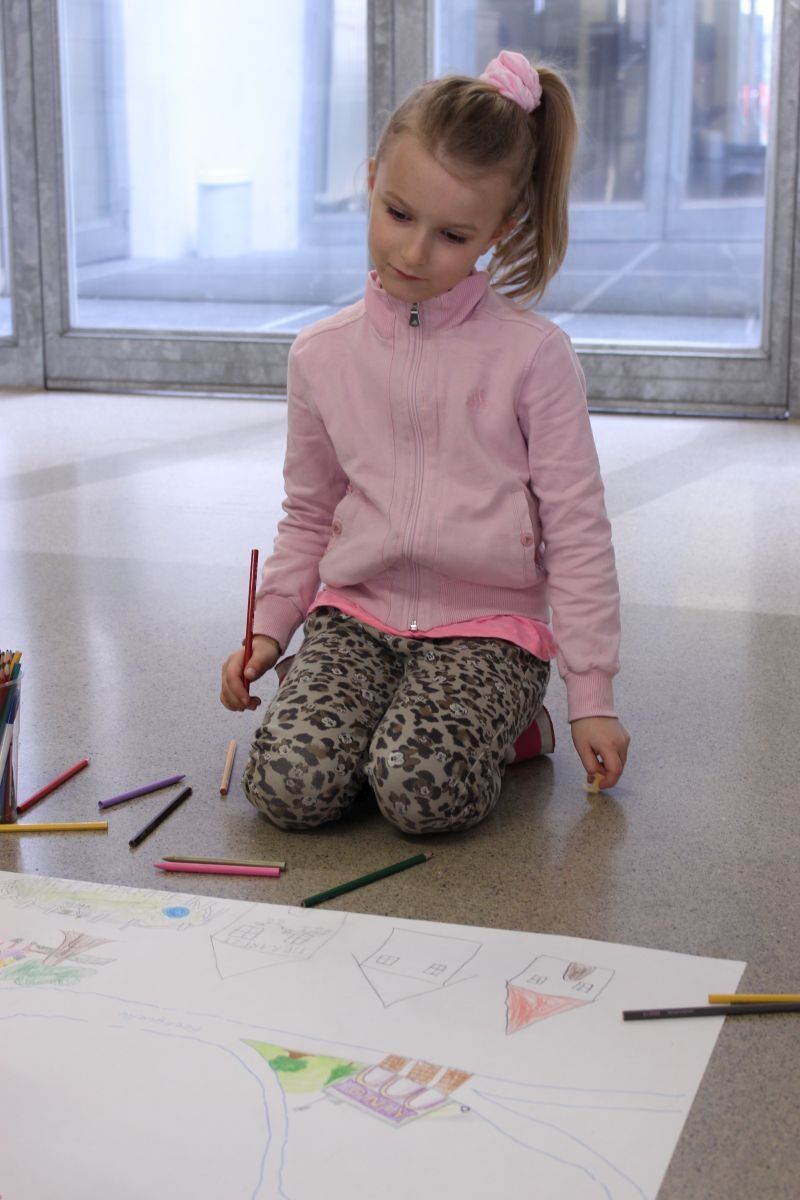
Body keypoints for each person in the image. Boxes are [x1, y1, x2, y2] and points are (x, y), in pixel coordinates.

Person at [221, 50, 630, 834]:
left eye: (452, 235)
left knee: (417, 791)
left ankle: (519, 728)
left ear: (499, 231)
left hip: (489, 631)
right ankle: (373, 720)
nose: (412, 254)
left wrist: (592, 698)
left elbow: (578, 533)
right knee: (286, 788)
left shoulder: (536, 357)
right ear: (372, 179)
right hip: (355, 616)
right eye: (399, 214)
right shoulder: (319, 355)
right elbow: (309, 515)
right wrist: (270, 630)